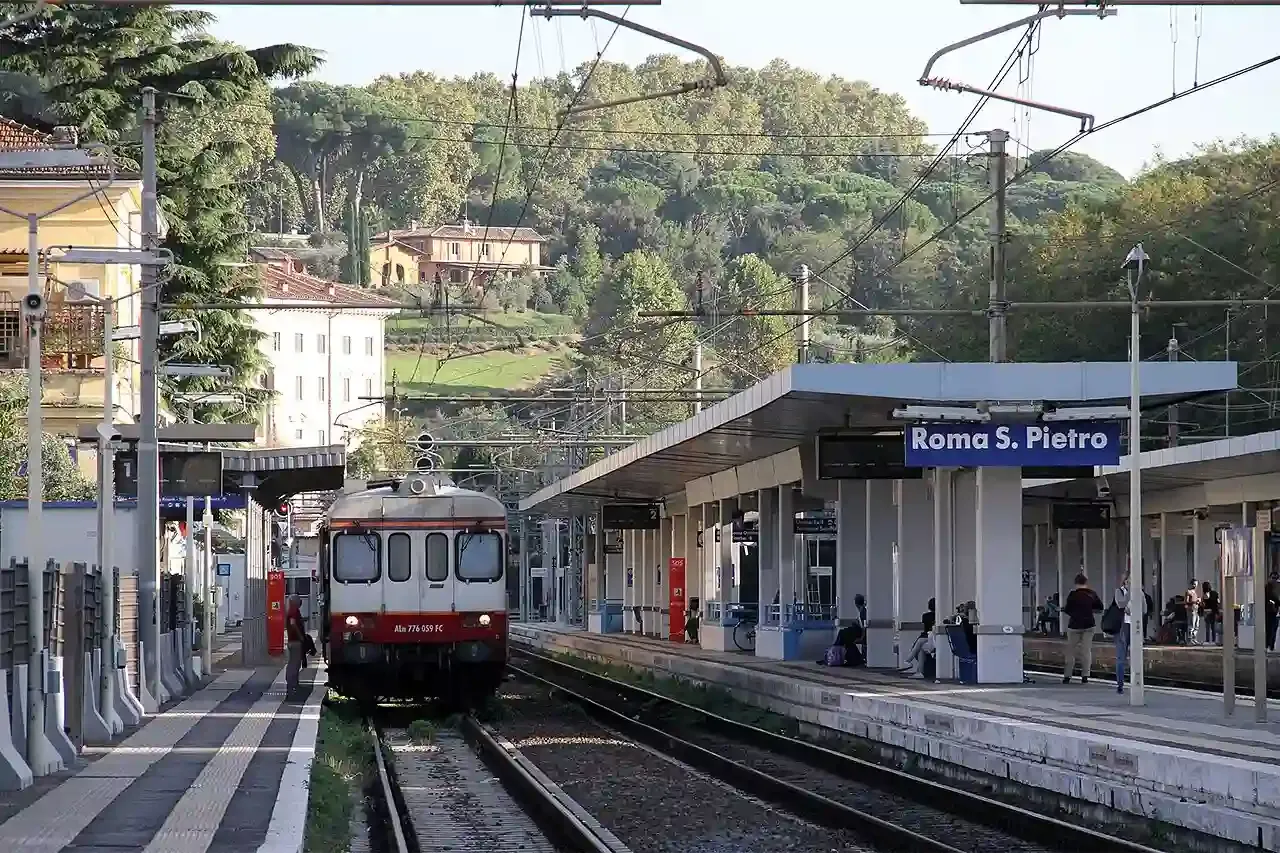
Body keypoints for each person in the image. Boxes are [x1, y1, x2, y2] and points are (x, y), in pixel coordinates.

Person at [1062, 574, 1103, 684]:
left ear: (1076, 583)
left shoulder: (1073, 595)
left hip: (1074, 626)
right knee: (1086, 651)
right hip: (1089, 625)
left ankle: (1067, 676)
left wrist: (1075, 613)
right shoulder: (1092, 594)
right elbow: (1100, 607)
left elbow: (1067, 610)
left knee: (1071, 651)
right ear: (1086, 583)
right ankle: (1085, 676)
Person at [1112, 571, 1146, 694]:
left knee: (1136, 655)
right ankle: (1120, 684)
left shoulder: (1139, 593)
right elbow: (1121, 604)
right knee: (1121, 657)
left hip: (1135, 626)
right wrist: (1129, 593)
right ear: (1125, 581)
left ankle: (1136, 682)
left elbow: (1144, 609)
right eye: (1129, 580)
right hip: (1123, 627)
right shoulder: (1119, 592)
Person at [899, 598, 937, 677]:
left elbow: (926, 628)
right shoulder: (939, 616)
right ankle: (919, 671)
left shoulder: (925, 616)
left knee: (920, 642)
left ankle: (908, 661)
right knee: (921, 648)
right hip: (932, 637)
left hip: (930, 637)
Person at [285, 595, 305, 692]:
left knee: (294, 662)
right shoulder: (294, 611)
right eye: (299, 600)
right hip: (295, 641)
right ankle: (292, 683)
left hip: (292, 641)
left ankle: (293, 682)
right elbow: (293, 624)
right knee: (295, 663)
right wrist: (300, 636)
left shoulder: (291, 610)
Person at [1201, 581, 1220, 645]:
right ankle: (1214, 640)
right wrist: (1217, 612)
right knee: (1213, 627)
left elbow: (1204, 604)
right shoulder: (1215, 593)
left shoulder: (1205, 594)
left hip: (1207, 611)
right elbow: (1217, 603)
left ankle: (1207, 640)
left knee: (1207, 627)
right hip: (1214, 611)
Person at [1185, 579, 1202, 645]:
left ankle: (1194, 639)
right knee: (1191, 626)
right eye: (1194, 584)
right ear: (1191, 584)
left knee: (1196, 626)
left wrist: (1199, 601)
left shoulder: (1195, 592)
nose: (1195, 586)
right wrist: (1195, 601)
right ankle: (1189, 640)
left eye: (1196, 584)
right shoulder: (1188, 592)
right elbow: (1186, 601)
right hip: (1191, 610)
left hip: (1196, 610)